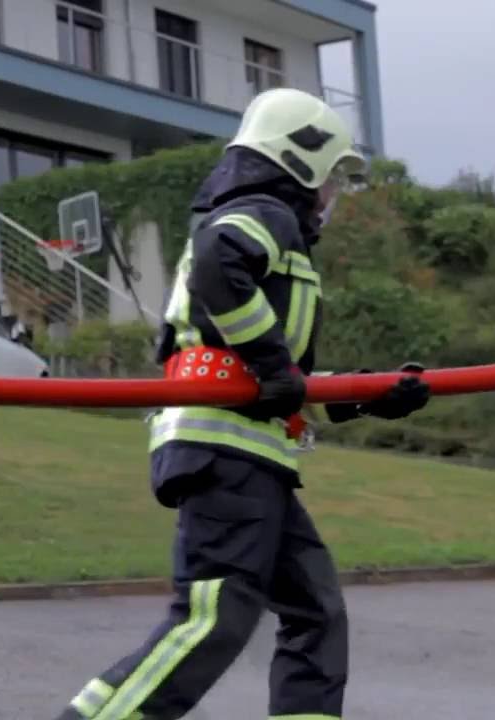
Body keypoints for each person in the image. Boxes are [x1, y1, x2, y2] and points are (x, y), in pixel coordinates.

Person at [55, 88, 431, 720]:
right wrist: (273, 361)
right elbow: (218, 267)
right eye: (332, 178)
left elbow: (275, 382)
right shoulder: (263, 213)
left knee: (315, 613)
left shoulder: (267, 227)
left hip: (250, 452)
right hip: (225, 451)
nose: (333, 195)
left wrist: (369, 396)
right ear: (301, 162)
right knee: (212, 619)